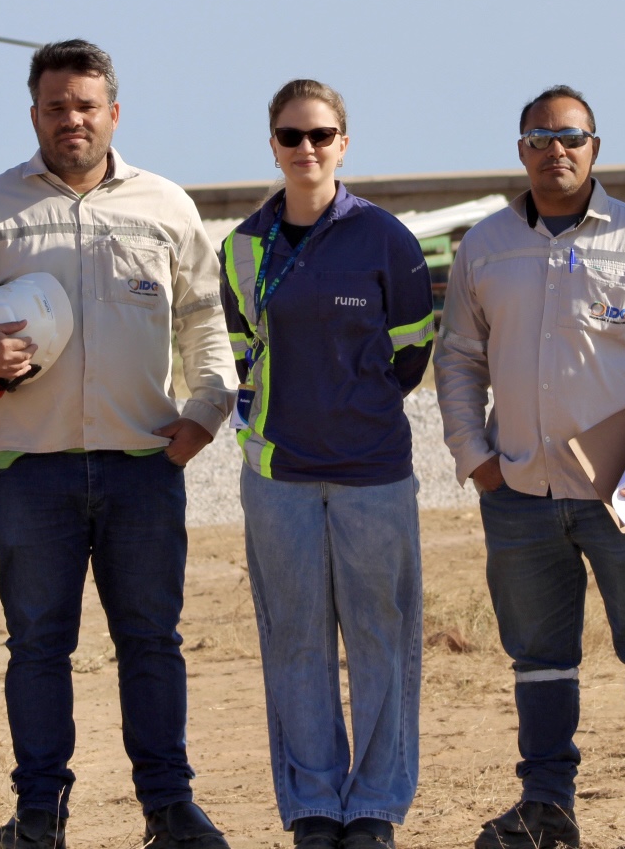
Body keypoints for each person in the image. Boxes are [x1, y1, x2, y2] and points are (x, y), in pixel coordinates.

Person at [0, 39, 239, 849]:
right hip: (30, 470)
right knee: (39, 647)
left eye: (86, 106)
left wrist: (207, 411)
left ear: (113, 113)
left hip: (143, 465)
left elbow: (203, 321)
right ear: (35, 116)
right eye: (56, 107)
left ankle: (169, 810)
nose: (71, 120)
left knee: (152, 642)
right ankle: (39, 816)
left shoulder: (165, 205)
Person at [436, 85, 625, 849]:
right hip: (519, 492)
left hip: (622, 491)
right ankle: (547, 807)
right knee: (538, 657)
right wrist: (476, 458)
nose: (554, 150)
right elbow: (458, 357)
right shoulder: (485, 246)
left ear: (596, 147)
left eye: (570, 136)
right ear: (520, 149)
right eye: (538, 137)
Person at [218, 80, 435, 849]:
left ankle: (373, 806)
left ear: (345, 142)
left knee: (382, 636)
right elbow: (245, 354)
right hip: (278, 478)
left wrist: (354, 410)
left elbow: (411, 355)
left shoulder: (388, 240)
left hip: (373, 473)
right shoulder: (243, 246)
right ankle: (312, 804)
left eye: (321, 135)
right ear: (271, 145)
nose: (305, 149)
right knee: (295, 639)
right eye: (290, 136)